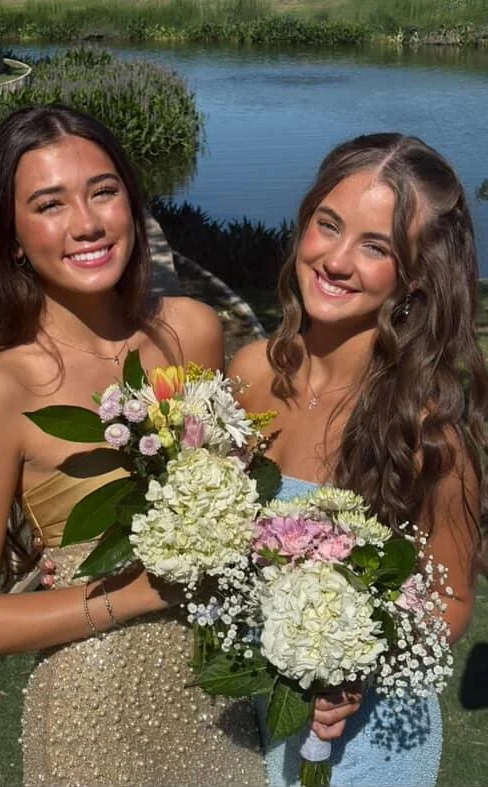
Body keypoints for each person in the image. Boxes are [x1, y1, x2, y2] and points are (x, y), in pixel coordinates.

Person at [0, 104, 268, 787]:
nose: (86, 223)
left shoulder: (192, 333)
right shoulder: (2, 388)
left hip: (219, 685)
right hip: (97, 708)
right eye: (49, 204)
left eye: (103, 191)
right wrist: (135, 594)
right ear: (12, 237)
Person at [228, 132, 487, 787]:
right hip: (253, 715)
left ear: (417, 275)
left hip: (366, 745)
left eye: (376, 247)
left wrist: (356, 662)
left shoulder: (429, 430)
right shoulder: (251, 374)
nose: (336, 260)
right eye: (328, 225)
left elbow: (452, 599)